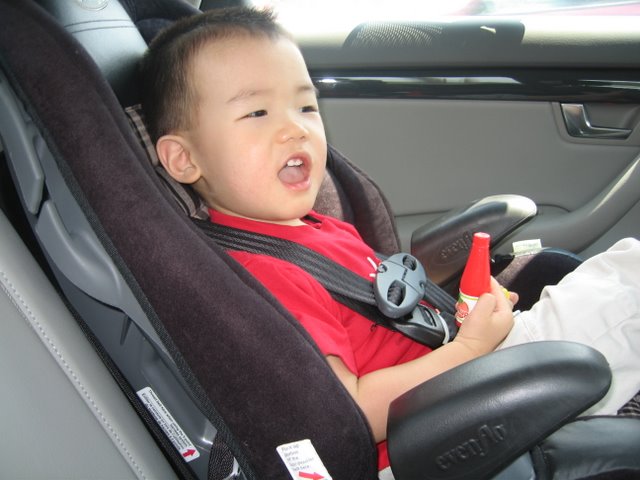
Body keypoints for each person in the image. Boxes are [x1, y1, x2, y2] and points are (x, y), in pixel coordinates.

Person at [140, 7, 640, 476]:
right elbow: (347, 413)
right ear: (184, 159)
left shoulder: (312, 227)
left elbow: (383, 322)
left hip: (459, 377)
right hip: (441, 427)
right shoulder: (265, 276)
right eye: (257, 113)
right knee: (626, 285)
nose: (295, 128)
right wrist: (471, 348)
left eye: (306, 105)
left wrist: (465, 320)